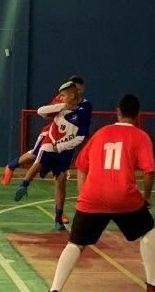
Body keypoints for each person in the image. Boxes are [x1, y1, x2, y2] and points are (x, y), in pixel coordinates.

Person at [42, 94, 155, 292]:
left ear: (118, 111)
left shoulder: (101, 133)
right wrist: (147, 196)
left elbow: (81, 165)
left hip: (92, 197)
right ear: (138, 115)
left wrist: (84, 193)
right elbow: (149, 171)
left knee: (75, 243)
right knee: (147, 230)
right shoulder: (141, 136)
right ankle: (153, 283)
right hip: (124, 196)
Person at [6, 76, 93, 229]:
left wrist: (62, 146)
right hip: (50, 139)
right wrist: (62, 106)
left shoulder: (84, 108)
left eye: (65, 95)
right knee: (37, 160)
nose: (61, 97)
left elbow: (81, 136)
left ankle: (58, 217)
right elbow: (42, 111)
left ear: (77, 92)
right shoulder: (61, 103)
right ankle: (23, 183)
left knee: (60, 180)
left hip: (65, 148)